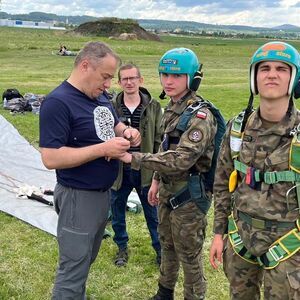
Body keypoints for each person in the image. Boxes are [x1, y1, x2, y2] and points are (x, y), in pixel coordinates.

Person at [120, 48, 225, 300]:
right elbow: (165, 145)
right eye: (164, 74)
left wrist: (133, 157)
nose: (168, 80)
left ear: (192, 79)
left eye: (176, 76)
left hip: (190, 194)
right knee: (167, 246)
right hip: (168, 189)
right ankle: (164, 293)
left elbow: (181, 159)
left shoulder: (201, 116)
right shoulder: (173, 108)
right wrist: (156, 181)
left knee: (189, 255)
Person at [39, 41, 141, 299]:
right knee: (72, 270)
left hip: (100, 195)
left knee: (84, 262)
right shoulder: (58, 102)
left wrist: (125, 131)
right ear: (85, 65)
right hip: (78, 197)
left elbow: (112, 122)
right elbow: (50, 157)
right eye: (105, 76)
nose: (109, 84)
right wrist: (103, 149)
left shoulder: (98, 95)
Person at [209, 41, 300, 300]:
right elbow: (222, 182)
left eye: (282, 69)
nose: (272, 74)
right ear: (254, 77)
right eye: (265, 68)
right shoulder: (238, 128)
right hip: (241, 238)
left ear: (294, 79)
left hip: (290, 243)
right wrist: (218, 234)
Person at [110, 63, 162, 267]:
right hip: (119, 171)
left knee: (153, 214)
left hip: (146, 169)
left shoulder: (154, 106)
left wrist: (157, 169)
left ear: (141, 80)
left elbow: (159, 139)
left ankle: (160, 250)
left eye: (133, 78)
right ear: (119, 82)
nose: (129, 82)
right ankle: (121, 247)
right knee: (117, 211)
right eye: (125, 79)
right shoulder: (111, 106)